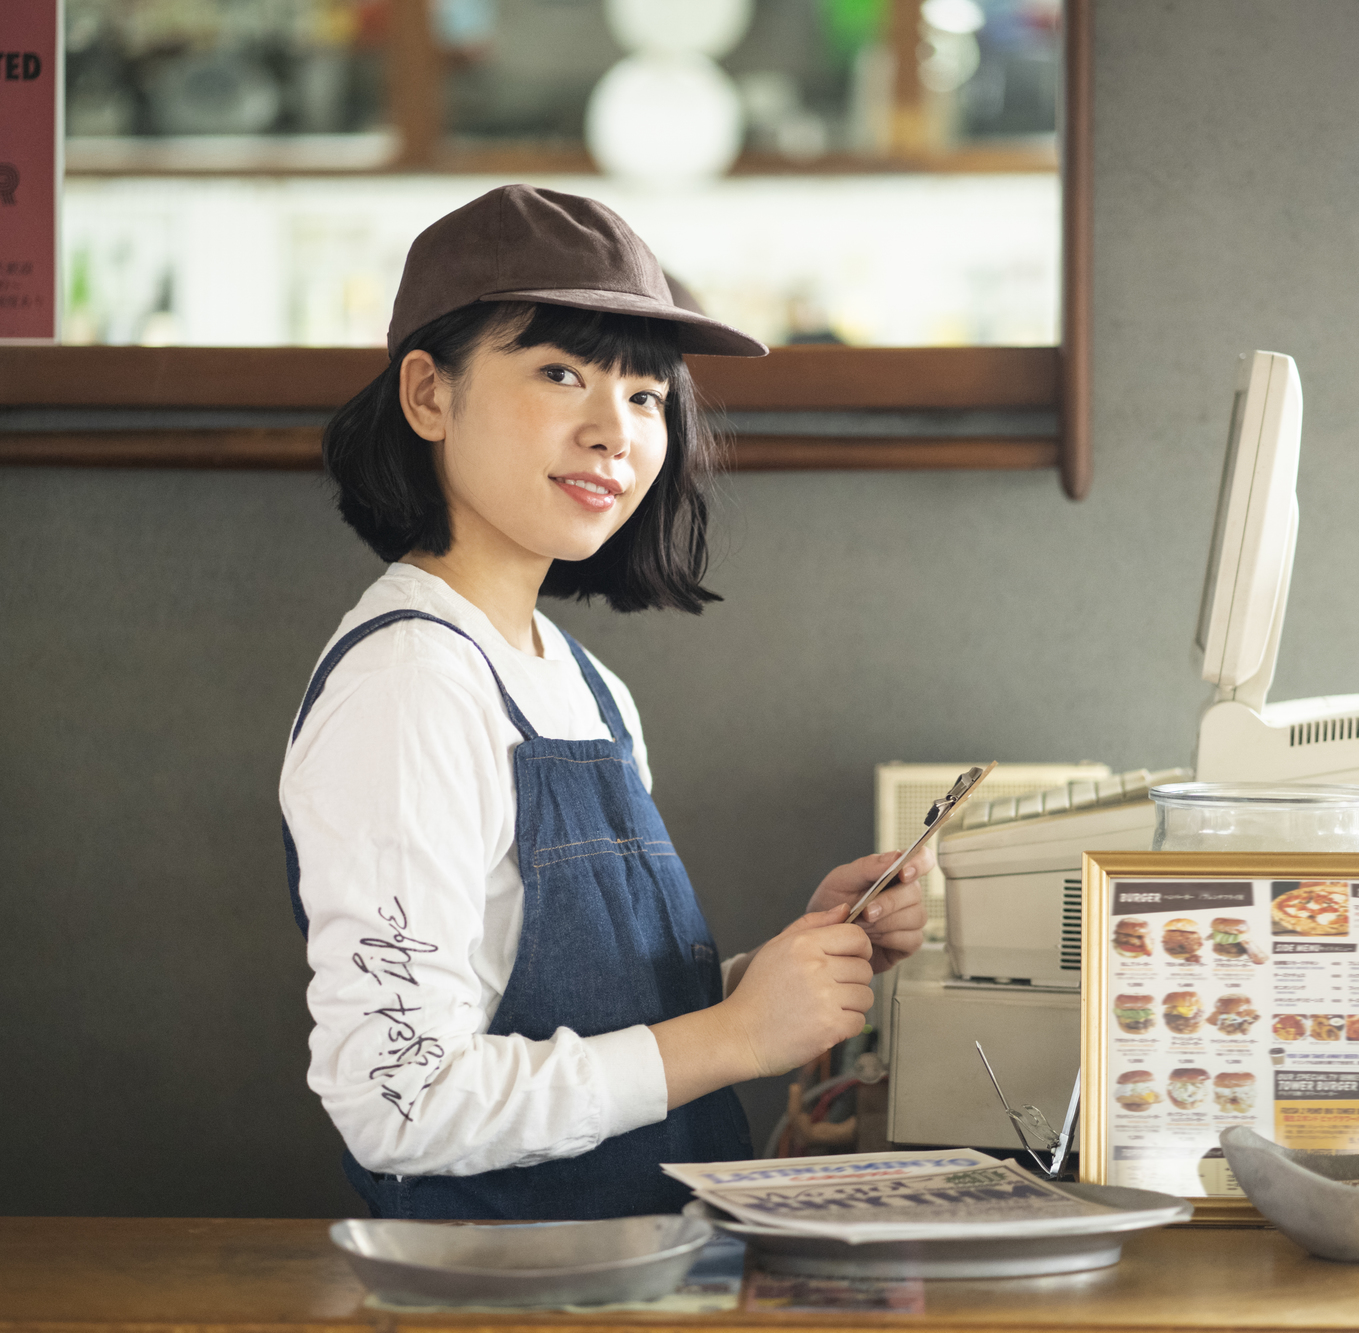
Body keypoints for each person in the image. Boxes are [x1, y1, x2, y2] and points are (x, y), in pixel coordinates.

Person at [277, 185, 929, 1221]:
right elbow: (398, 1104)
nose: (612, 431)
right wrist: (732, 1038)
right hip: (503, 1296)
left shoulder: (582, 685)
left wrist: (782, 970)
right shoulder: (409, 687)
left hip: (642, 1272)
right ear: (427, 395)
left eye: (644, 394)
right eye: (559, 373)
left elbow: (574, 1015)